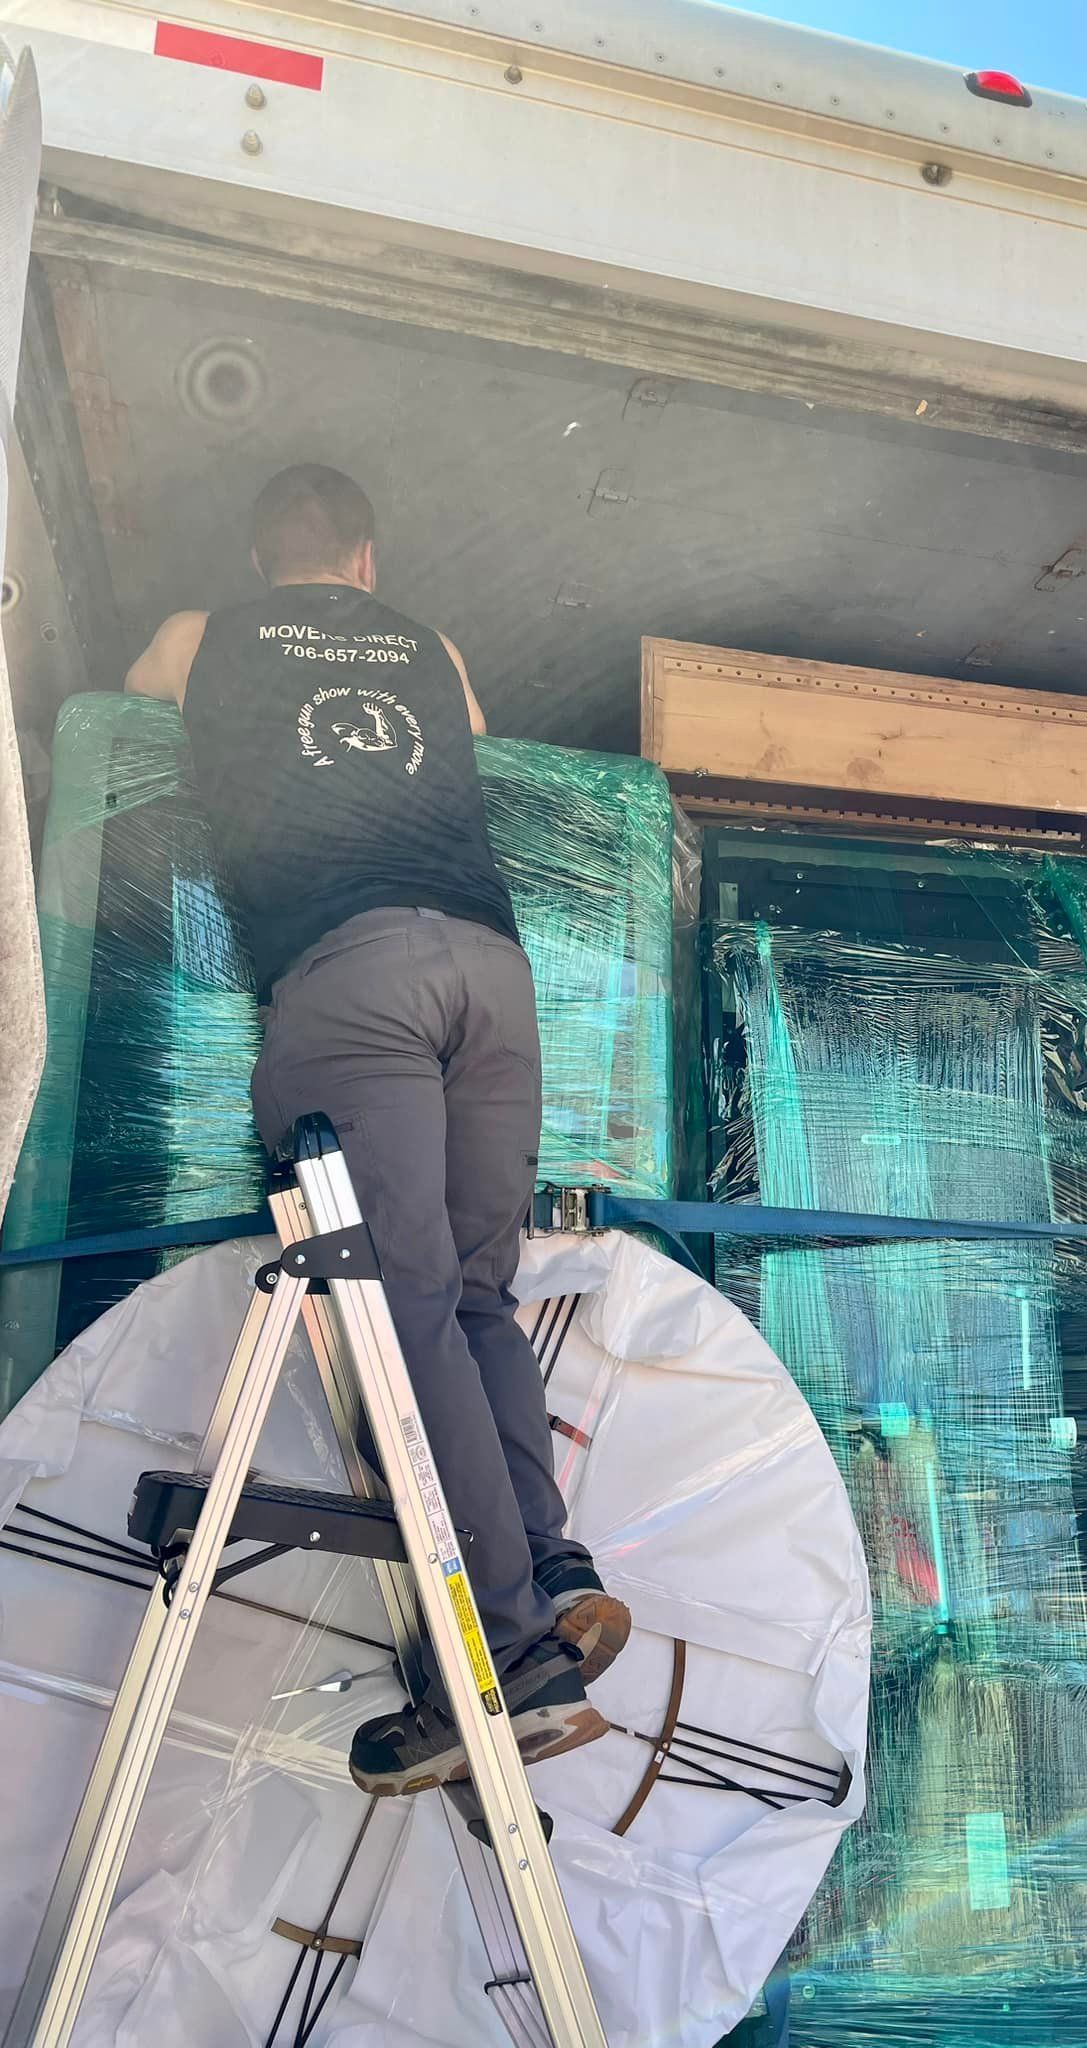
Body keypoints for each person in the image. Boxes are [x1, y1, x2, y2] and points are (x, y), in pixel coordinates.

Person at [126, 463, 629, 1795]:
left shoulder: (202, 635)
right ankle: (551, 1571)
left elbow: (118, 738)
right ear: (363, 561)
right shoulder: (428, 643)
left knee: (399, 1325)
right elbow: (470, 730)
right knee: (473, 1299)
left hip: (351, 983)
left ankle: (513, 1662)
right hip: (490, 977)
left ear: (262, 558)